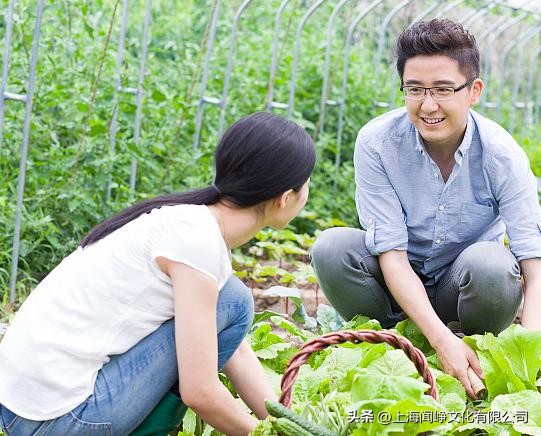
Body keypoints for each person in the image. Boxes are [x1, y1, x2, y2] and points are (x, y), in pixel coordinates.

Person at [0, 112, 316, 435]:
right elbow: (200, 391)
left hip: (22, 407)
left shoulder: (189, 222)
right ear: (285, 197)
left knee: (228, 303)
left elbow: (231, 347)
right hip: (58, 421)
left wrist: (285, 422)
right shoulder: (199, 245)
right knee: (234, 301)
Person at [311, 18, 541, 400]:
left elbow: (534, 265)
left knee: (492, 264)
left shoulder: (502, 154)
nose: (428, 105)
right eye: (414, 89)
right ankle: (392, 346)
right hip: (395, 286)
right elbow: (392, 255)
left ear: (473, 91)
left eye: (443, 89)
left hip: (462, 289)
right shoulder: (377, 143)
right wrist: (438, 340)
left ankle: (478, 351)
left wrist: (530, 355)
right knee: (332, 248)